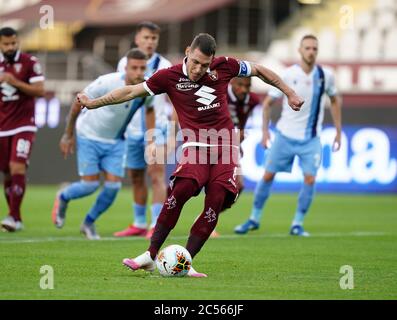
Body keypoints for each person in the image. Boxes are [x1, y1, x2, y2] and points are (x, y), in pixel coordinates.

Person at [77, 33, 303, 276]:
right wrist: (93, 103)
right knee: (182, 189)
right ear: (187, 52)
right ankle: (150, 255)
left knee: (215, 201)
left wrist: (289, 92)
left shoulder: (224, 66)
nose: (198, 69)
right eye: (195, 62)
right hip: (195, 145)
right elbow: (131, 92)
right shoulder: (168, 76)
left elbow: (258, 70)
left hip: (225, 146)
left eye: (205, 65)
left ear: (212, 60)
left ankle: (186, 262)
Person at [235, 34, 342, 236]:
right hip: (284, 135)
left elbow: (335, 100)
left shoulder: (325, 75)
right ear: (300, 50)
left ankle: (297, 224)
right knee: (267, 175)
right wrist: (265, 133)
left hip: (311, 139)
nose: (311, 51)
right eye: (307, 48)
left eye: (314, 48)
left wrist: (338, 131)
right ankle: (254, 218)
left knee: (310, 179)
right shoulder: (288, 74)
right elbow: (267, 104)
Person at [51, 48, 154, 240]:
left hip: (116, 141)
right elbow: (78, 101)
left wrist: (151, 138)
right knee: (89, 186)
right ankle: (63, 196)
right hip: (89, 135)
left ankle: (88, 223)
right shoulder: (107, 81)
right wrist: (68, 134)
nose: (139, 72)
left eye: (142, 68)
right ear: (126, 67)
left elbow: (149, 110)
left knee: (113, 187)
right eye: (134, 68)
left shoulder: (146, 89)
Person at [114, 21, 172, 239]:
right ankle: (139, 223)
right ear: (137, 39)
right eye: (146, 37)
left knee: (156, 175)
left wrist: (173, 133)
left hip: (156, 129)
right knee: (136, 176)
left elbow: (174, 102)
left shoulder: (165, 65)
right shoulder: (124, 63)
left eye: (153, 38)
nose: (149, 42)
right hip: (131, 129)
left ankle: (157, 224)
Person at [0, 27, 45, 232]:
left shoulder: (29, 62)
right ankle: (15, 218)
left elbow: (39, 90)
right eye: (6, 44)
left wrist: (14, 81)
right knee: (7, 173)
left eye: (13, 43)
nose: (10, 47)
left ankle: (13, 216)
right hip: (2, 126)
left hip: (23, 124)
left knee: (17, 167)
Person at [209, 76, 262, 238]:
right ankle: (207, 220)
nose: (244, 89)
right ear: (232, 83)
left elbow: (242, 121)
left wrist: (240, 136)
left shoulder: (252, 100)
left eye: (248, 85)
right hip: (211, 140)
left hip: (231, 145)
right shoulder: (220, 93)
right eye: (240, 85)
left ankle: (206, 217)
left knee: (238, 186)